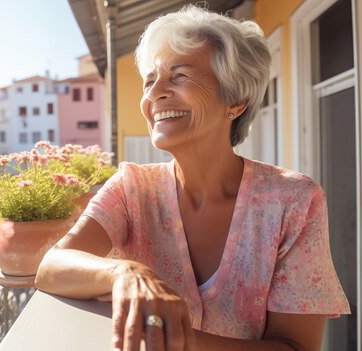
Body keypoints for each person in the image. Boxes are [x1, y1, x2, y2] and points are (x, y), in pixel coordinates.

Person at [35, 5, 350, 351]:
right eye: (150, 80)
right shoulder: (131, 188)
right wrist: (125, 274)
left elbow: (296, 347)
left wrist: (175, 339)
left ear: (236, 99)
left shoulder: (294, 201)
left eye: (179, 75)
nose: (155, 94)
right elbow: (52, 267)